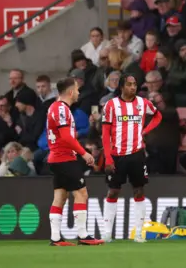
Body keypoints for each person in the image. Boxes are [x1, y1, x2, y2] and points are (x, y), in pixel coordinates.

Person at [100, 74, 163, 243]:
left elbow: (158, 116)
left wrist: (145, 130)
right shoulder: (111, 106)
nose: (133, 87)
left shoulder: (143, 103)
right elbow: (105, 134)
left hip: (137, 154)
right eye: (129, 84)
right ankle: (107, 232)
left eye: (135, 84)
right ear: (121, 87)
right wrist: (108, 158)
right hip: (117, 155)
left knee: (139, 190)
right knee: (113, 191)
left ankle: (140, 233)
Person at [46, 77, 103, 246]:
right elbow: (65, 136)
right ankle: (83, 235)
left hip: (57, 157)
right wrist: (84, 153)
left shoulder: (56, 108)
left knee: (60, 196)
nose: (78, 93)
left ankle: (55, 238)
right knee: (81, 193)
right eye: (77, 90)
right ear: (70, 92)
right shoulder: (61, 109)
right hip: (64, 158)